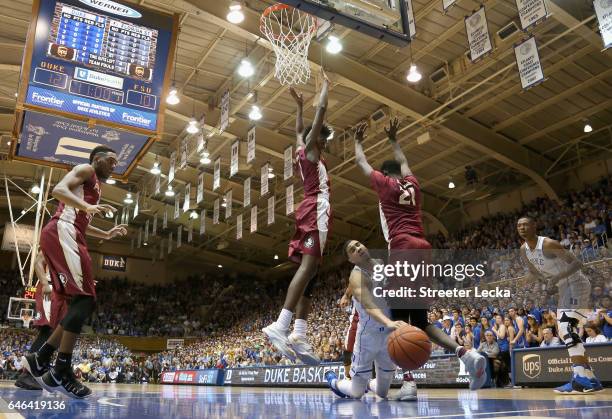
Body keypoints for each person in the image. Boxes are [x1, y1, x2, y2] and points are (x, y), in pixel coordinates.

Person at [353, 119, 487, 394]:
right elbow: (405, 162)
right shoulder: (413, 184)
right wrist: (394, 140)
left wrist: (357, 141)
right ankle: (466, 354)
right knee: (421, 321)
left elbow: (361, 163)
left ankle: (409, 384)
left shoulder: (385, 187)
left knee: (397, 319)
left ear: (384, 175)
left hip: (401, 247)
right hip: (423, 248)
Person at [22, 146, 127, 398]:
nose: (115, 166)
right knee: (86, 299)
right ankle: (56, 367)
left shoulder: (95, 188)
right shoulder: (86, 169)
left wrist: (106, 233)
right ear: (98, 159)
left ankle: (47, 361)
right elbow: (58, 190)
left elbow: (80, 218)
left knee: (80, 302)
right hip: (63, 231)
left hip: (70, 232)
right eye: (111, 161)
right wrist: (86, 207)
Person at [263, 69, 332, 365]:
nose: (325, 141)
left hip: (311, 208)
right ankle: (281, 325)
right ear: (316, 141)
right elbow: (315, 123)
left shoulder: (303, 151)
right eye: (323, 138)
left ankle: (299, 333)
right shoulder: (312, 153)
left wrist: (300, 107)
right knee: (308, 267)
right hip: (316, 207)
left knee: (313, 271)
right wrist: (324, 89)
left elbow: (299, 131)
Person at [518, 216, 603, 394]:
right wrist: (528, 280)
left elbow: (578, 263)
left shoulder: (548, 244)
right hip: (564, 288)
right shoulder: (524, 250)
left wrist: (557, 277)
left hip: (576, 284)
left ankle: (581, 380)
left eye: (526, 224)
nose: (522, 227)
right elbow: (535, 273)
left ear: (534, 226)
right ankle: (589, 379)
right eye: (519, 225)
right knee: (566, 330)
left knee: (566, 329)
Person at [325, 240, 407, 399]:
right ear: (351, 260)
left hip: (388, 335)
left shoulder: (380, 263)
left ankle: (369, 384)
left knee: (383, 393)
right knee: (356, 393)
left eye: (358, 245)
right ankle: (333, 381)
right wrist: (389, 322)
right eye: (352, 250)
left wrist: (346, 294)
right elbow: (369, 305)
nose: (358, 248)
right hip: (368, 336)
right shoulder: (356, 276)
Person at [15, 252, 69, 390]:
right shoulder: (55, 235)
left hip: (62, 293)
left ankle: (37, 373)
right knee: (48, 332)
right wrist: (44, 283)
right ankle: (26, 374)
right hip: (49, 289)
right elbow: (38, 261)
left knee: (58, 334)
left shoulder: (69, 246)